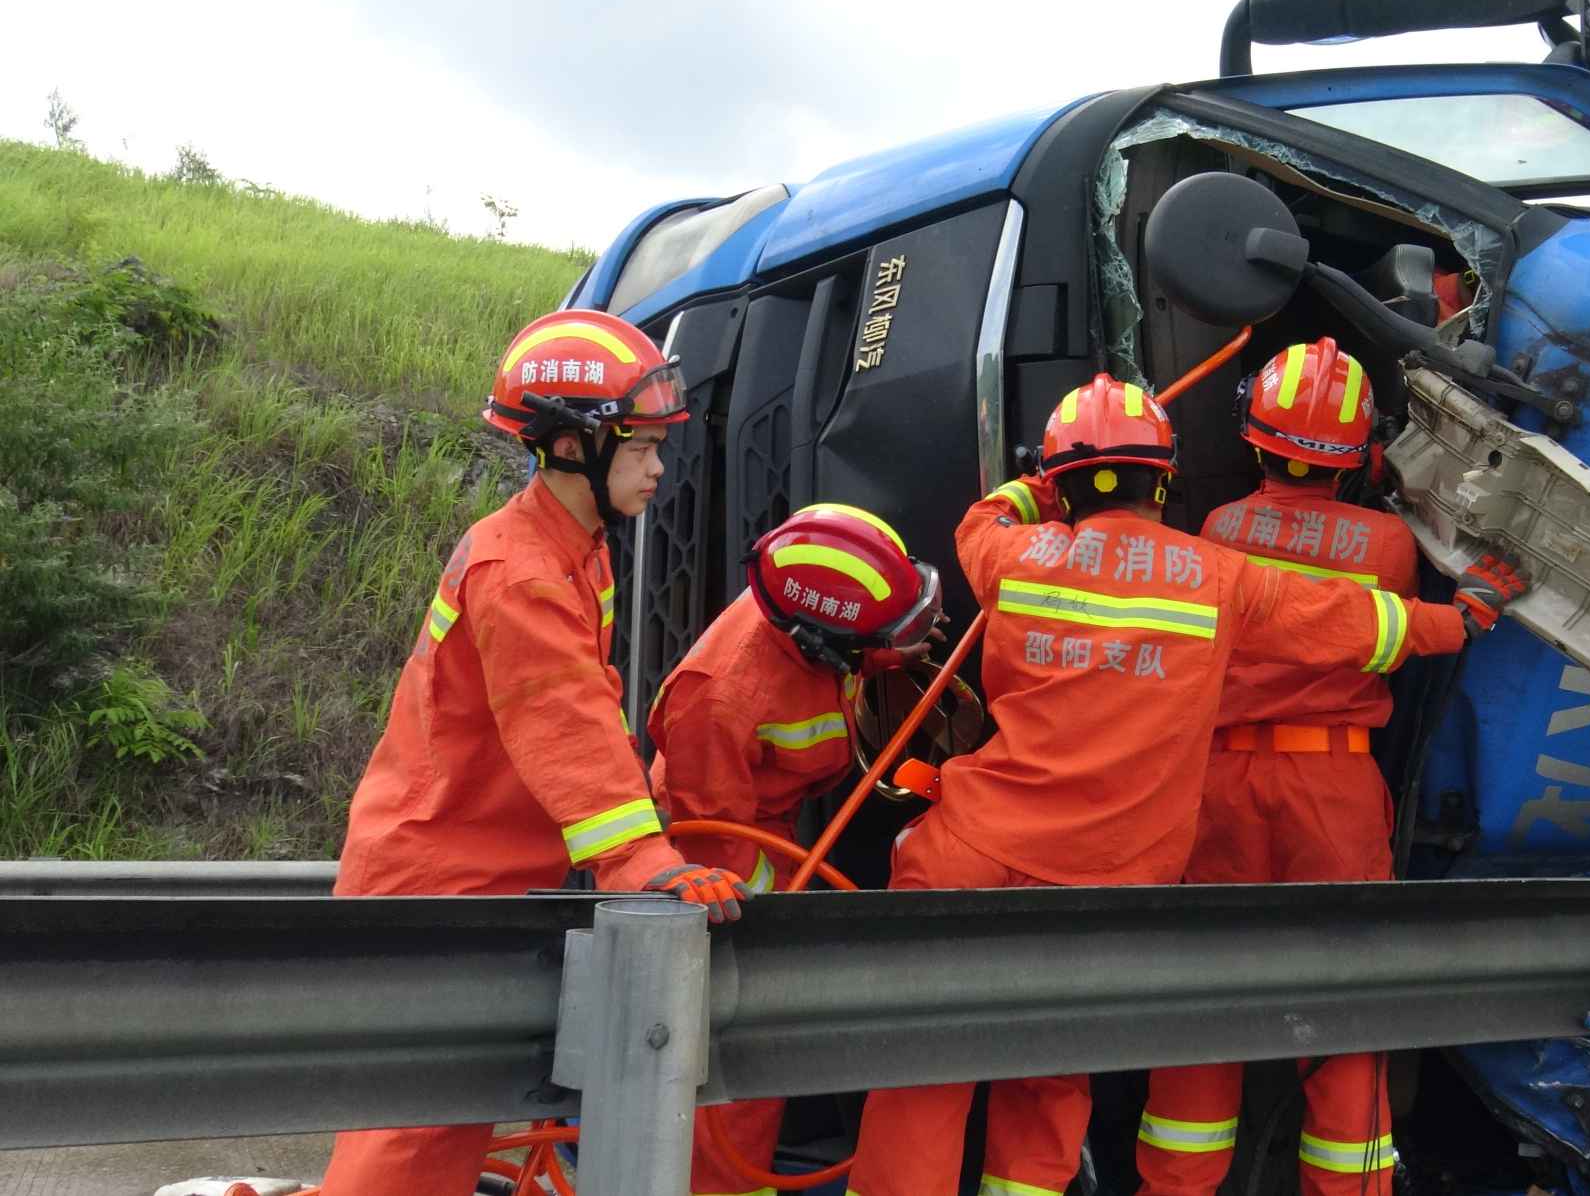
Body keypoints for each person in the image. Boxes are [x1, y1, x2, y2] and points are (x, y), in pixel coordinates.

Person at [842, 374, 1526, 1196]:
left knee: (925, 1070)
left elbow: (979, 519)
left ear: (1060, 482)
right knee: (1054, 1070)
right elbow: (1359, 622)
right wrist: (1465, 616)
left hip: (975, 845)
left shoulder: (1010, 555)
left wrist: (1036, 488)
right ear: (1164, 478)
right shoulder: (1221, 573)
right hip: (1103, 877)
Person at [320, 309, 749, 1196]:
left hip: (476, 865)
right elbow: (560, 723)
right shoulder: (521, 572)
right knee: (416, 1131)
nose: (659, 466)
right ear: (569, 445)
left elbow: (574, 718)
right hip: (440, 871)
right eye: (638, 446)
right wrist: (641, 861)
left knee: (443, 1124)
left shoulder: (572, 547)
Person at [1136, 339, 1524, 1195]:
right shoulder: (1389, 543)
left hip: (1221, 787)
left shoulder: (1219, 530)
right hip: (1333, 787)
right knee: (1349, 1008)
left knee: (1205, 1002)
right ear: (1357, 451)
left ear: (1255, 436)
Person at [647, 502, 943, 1196]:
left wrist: (892, 646)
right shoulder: (716, 698)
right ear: (820, 645)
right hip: (720, 854)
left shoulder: (824, 590)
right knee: (734, 1070)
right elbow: (718, 845)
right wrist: (783, 918)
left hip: (771, 832)